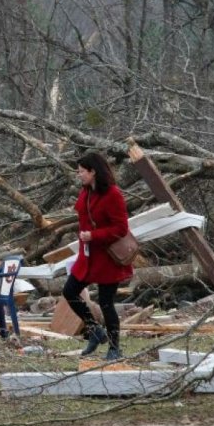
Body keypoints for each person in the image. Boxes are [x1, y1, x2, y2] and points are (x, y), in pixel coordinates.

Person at [64, 151, 132, 361]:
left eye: (82, 171)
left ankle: (114, 347)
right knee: (70, 291)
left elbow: (121, 228)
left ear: (93, 172)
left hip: (107, 258)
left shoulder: (112, 194)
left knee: (106, 303)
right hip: (88, 256)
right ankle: (95, 331)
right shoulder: (86, 192)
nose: (79, 175)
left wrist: (94, 235)